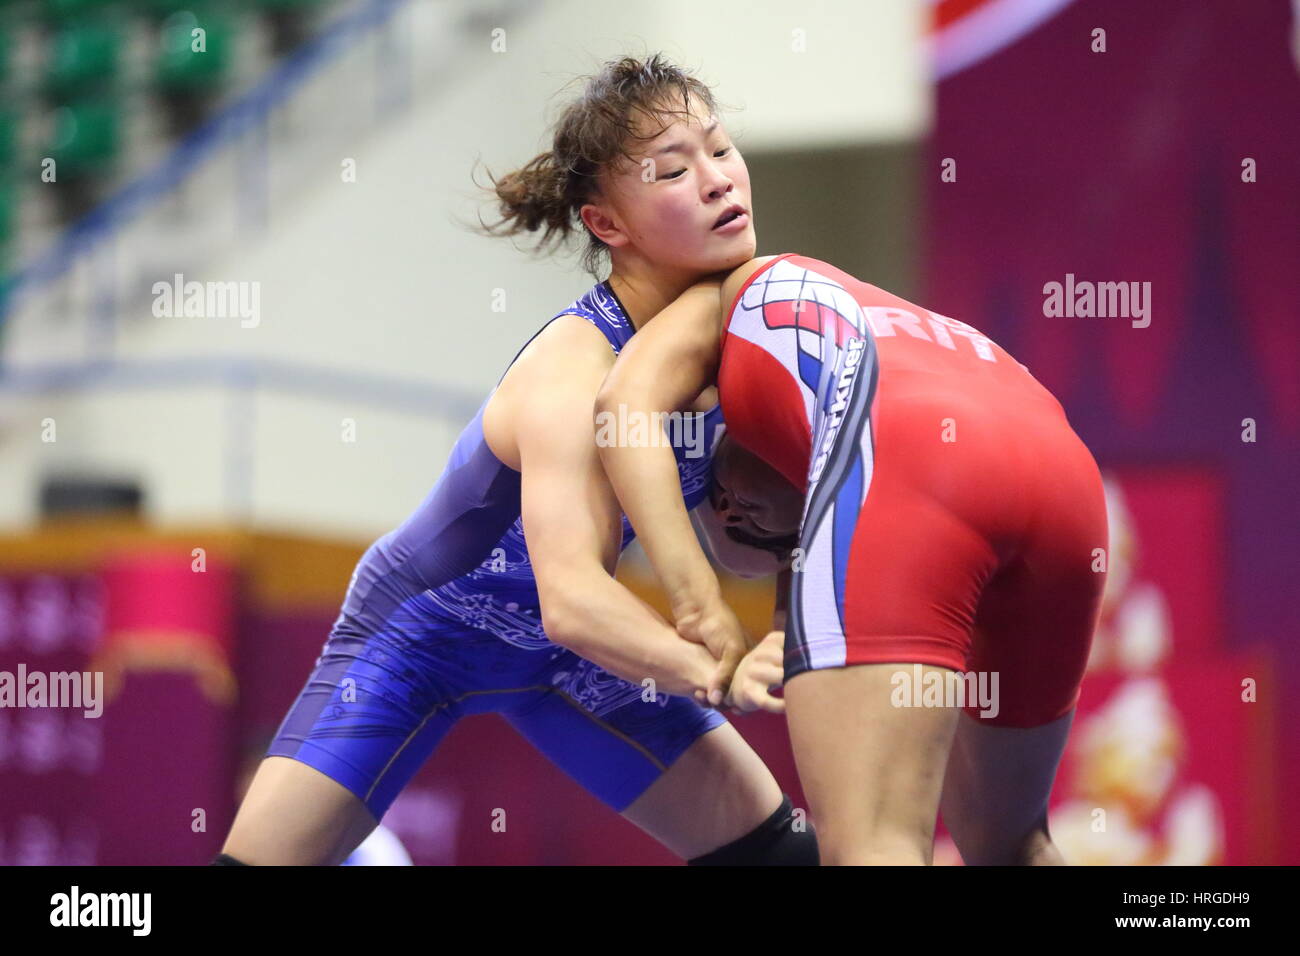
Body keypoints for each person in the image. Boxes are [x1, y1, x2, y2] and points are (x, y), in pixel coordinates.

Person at [213, 56, 817, 866]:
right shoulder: (573, 374)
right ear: (608, 225)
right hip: (419, 641)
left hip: (571, 660)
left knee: (779, 856)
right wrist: (721, 667)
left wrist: (781, 607)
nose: (716, 180)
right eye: (675, 169)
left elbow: (751, 541)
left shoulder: (743, 344)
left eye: (719, 148)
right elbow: (571, 599)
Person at [595, 252, 1109, 865]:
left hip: (917, 458)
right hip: (1067, 481)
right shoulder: (841, 346)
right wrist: (785, 626)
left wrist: (699, 604)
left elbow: (620, 408)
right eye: (757, 528)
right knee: (1010, 845)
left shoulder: (718, 295)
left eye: (715, 493)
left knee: (875, 847)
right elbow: (821, 482)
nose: (729, 512)